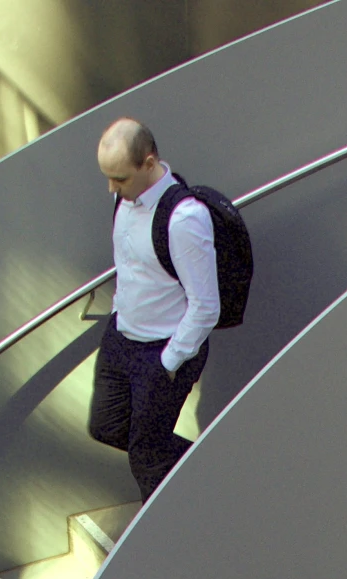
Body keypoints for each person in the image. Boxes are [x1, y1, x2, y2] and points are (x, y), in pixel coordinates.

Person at [89, 118, 220, 500]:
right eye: (108, 177)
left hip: (163, 351)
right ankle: (208, 467)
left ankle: (166, 541)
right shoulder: (124, 198)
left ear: (149, 163)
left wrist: (168, 362)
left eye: (120, 178)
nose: (111, 187)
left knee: (146, 456)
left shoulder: (184, 219)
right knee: (106, 426)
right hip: (122, 336)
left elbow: (205, 305)